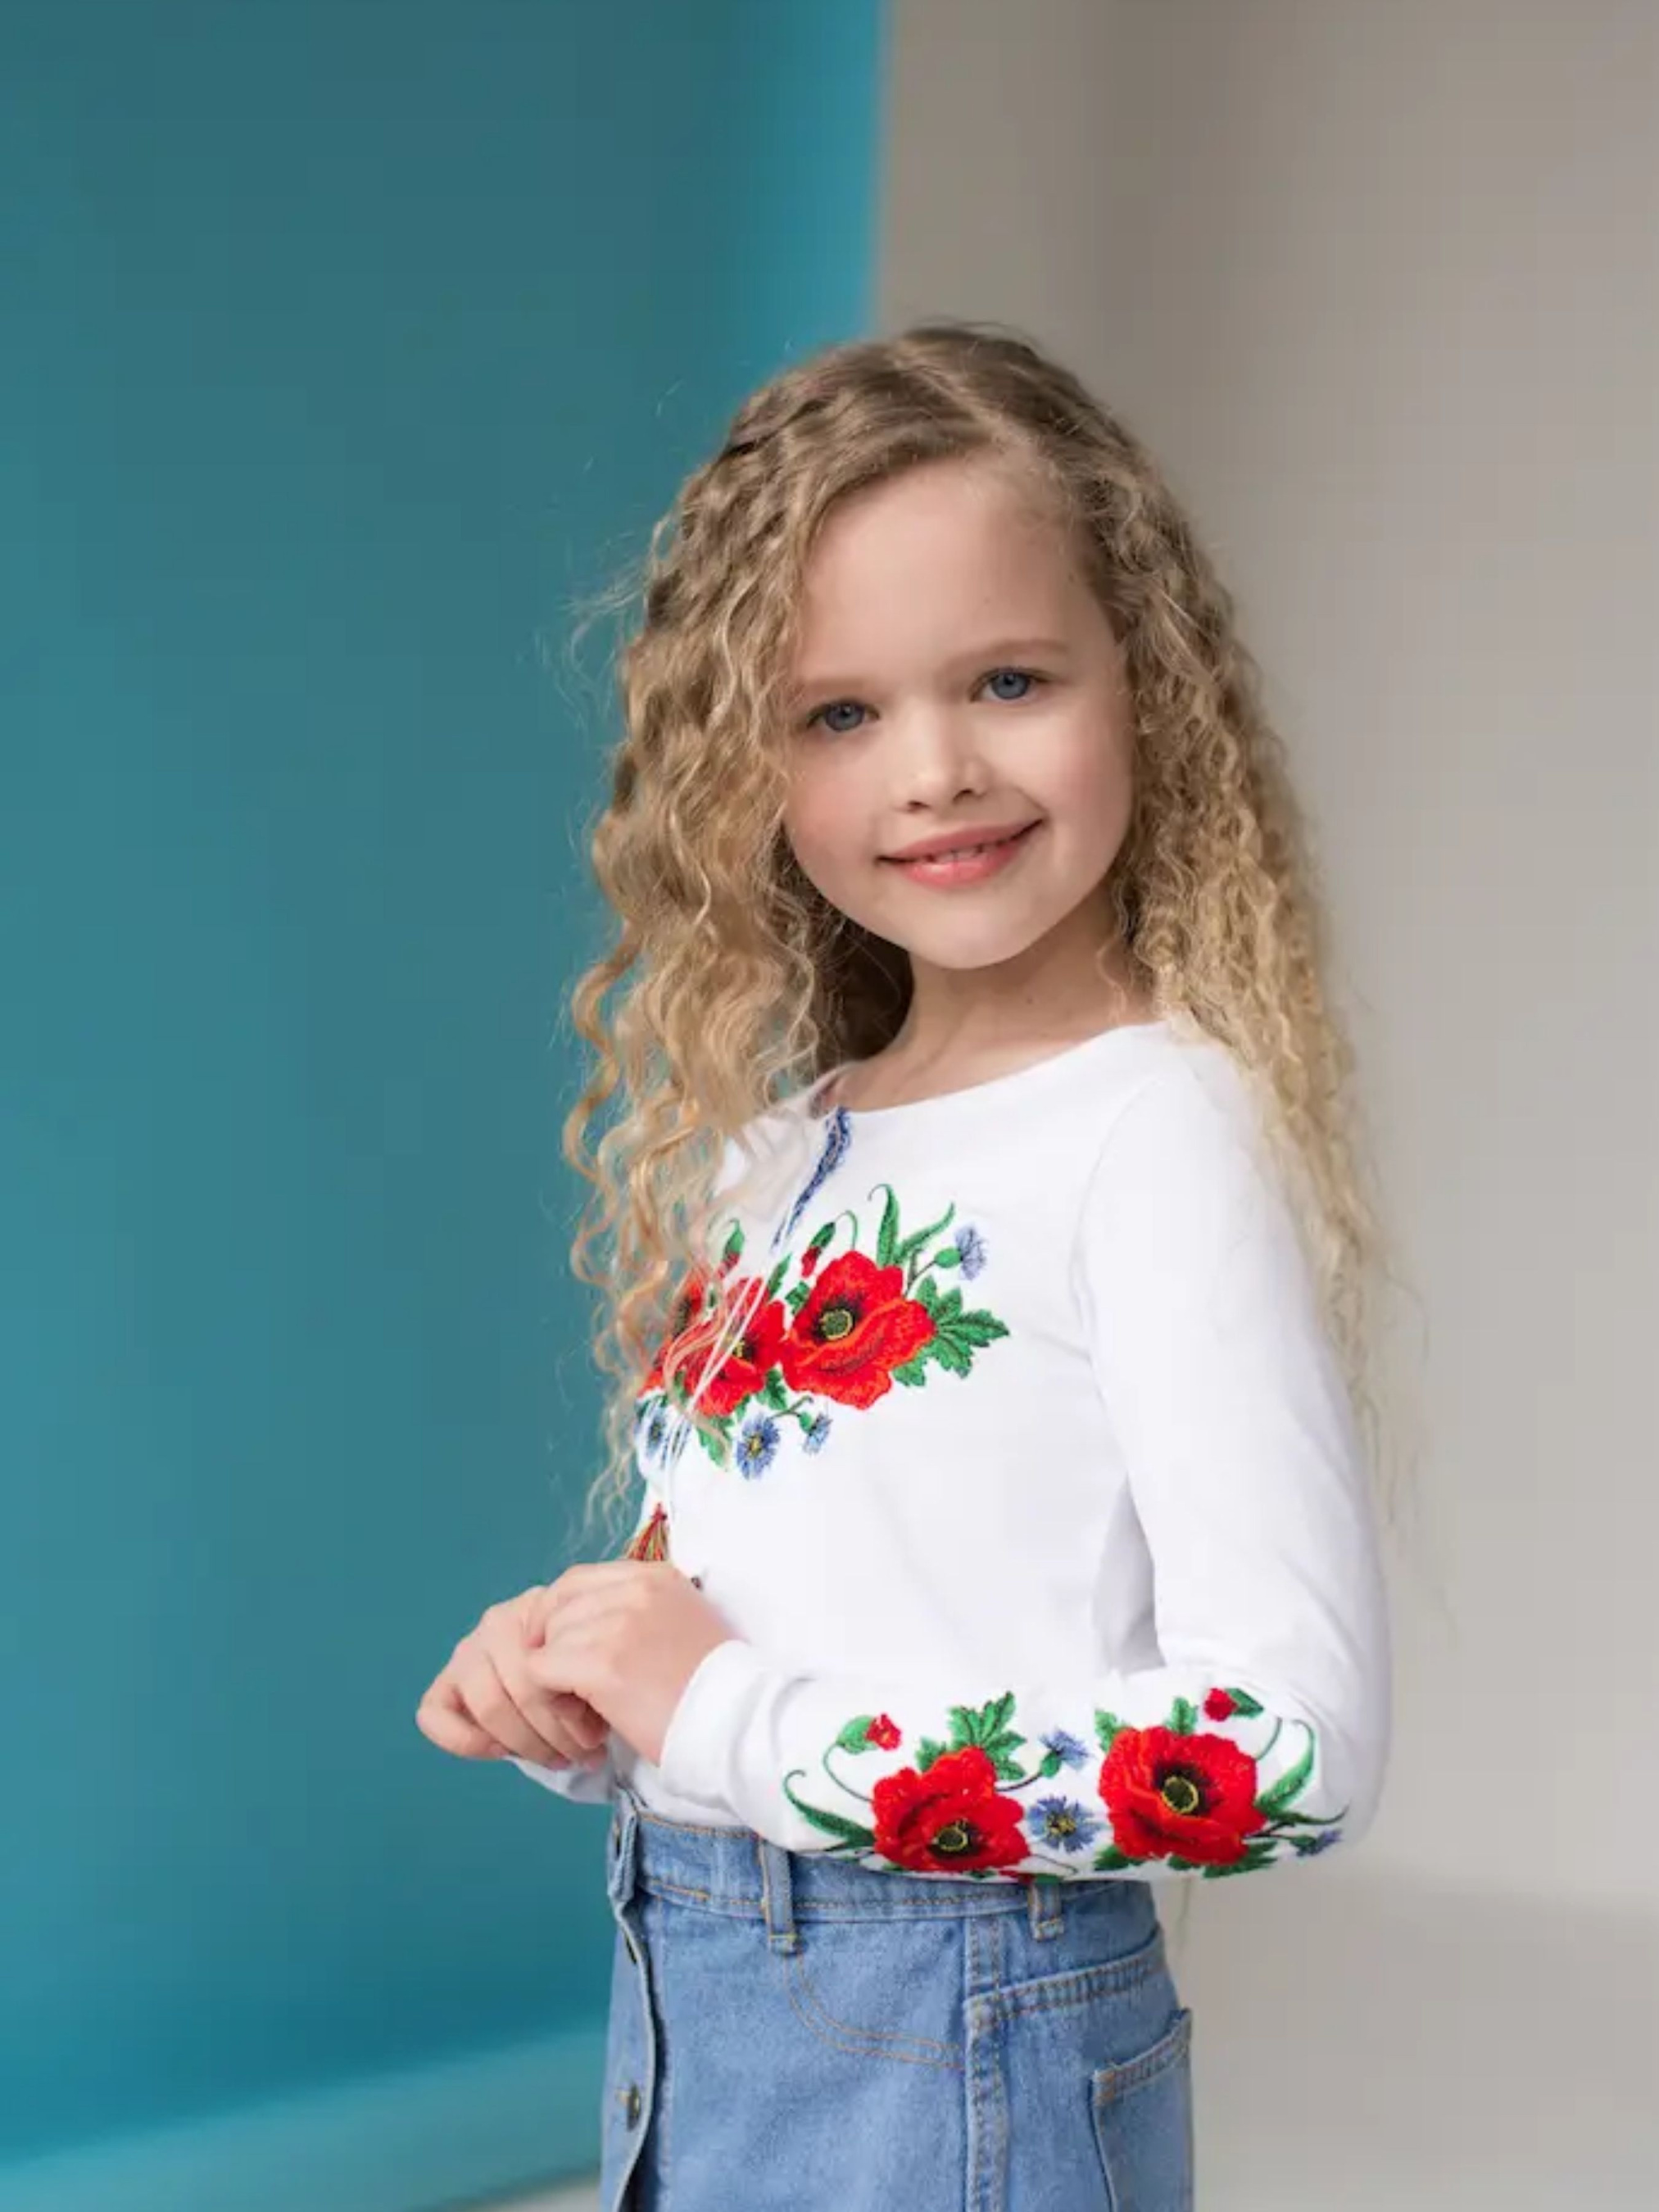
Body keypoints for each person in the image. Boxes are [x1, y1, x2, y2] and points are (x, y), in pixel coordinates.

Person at [416, 320, 1396, 2211]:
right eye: (837, 715)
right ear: (747, 764)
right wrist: (584, 1686)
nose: (935, 769)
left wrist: (726, 1718)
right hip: (692, 2008)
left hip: (955, 2045)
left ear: (1143, 684)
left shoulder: (1149, 1134)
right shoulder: (784, 1148)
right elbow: (774, 1617)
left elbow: (1283, 1750)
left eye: (1006, 679)